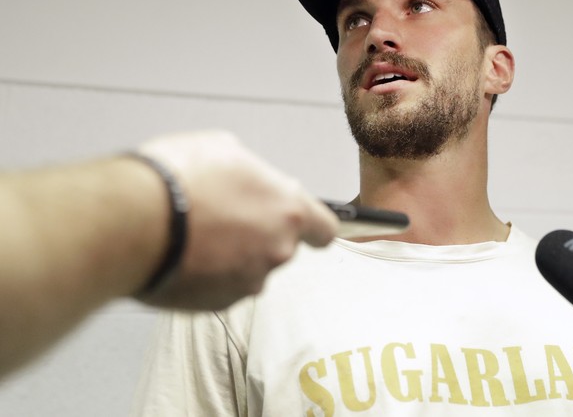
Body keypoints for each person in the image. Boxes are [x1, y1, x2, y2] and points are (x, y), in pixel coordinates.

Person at [131, 0, 573, 415]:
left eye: (419, 5)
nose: (377, 33)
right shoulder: (239, 288)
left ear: (496, 69)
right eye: (354, 20)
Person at [0, 129, 338, 381]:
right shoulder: (239, 271)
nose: (376, 34)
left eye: (394, 27)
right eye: (353, 27)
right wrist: (156, 212)